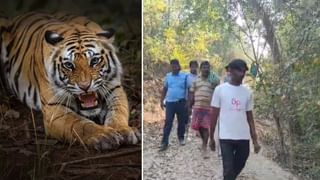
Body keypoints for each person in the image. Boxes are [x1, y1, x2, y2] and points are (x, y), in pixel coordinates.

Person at [209, 59, 261, 180]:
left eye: (243, 71)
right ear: (230, 71)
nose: (241, 74)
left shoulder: (247, 92)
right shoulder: (220, 90)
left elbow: (250, 118)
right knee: (228, 169)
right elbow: (213, 116)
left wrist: (255, 140)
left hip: (243, 137)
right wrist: (211, 138)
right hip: (226, 137)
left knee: (240, 163)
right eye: (239, 70)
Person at [189, 61, 218, 158]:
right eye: (204, 67)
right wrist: (189, 106)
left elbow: (218, 92)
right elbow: (191, 93)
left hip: (208, 108)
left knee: (205, 127)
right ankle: (203, 143)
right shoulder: (196, 81)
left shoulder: (213, 81)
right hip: (197, 108)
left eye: (208, 67)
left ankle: (204, 147)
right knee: (199, 127)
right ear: (200, 69)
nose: (206, 69)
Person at [160, 59, 188, 151]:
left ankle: (181, 138)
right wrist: (161, 100)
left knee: (181, 122)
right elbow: (165, 89)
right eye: (172, 65)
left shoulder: (184, 76)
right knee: (168, 122)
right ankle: (164, 142)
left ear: (179, 66)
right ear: (171, 67)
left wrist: (188, 102)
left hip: (181, 102)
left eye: (176, 65)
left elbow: (188, 89)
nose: (174, 67)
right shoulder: (168, 76)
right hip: (170, 103)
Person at [185, 60, 199, 139]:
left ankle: (197, 132)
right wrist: (186, 99)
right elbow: (185, 88)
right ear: (190, 67)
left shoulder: (199, 77)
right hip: (188, 98)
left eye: (195, 66)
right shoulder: (187, 77)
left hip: (197, 98)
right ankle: (186, 132)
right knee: (187, 115)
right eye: (192, 66)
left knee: (197, 115)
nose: (194, 68)